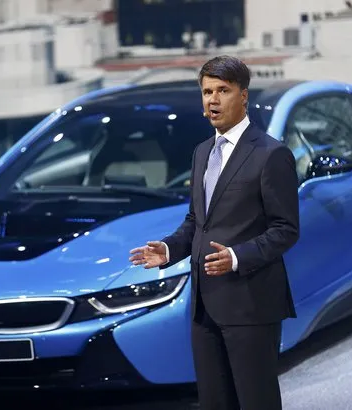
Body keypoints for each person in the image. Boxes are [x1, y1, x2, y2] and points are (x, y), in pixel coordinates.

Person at [129, 55, 300, 410]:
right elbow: (197, 220)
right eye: (207, 91)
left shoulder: (272, 154)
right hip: (205, 305)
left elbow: (285, 230)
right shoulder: (202, 152)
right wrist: (169, 249)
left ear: (244, 96)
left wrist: (238, 257)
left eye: (223, 90)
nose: (213, 100)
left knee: (256, 401)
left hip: (251, 304)